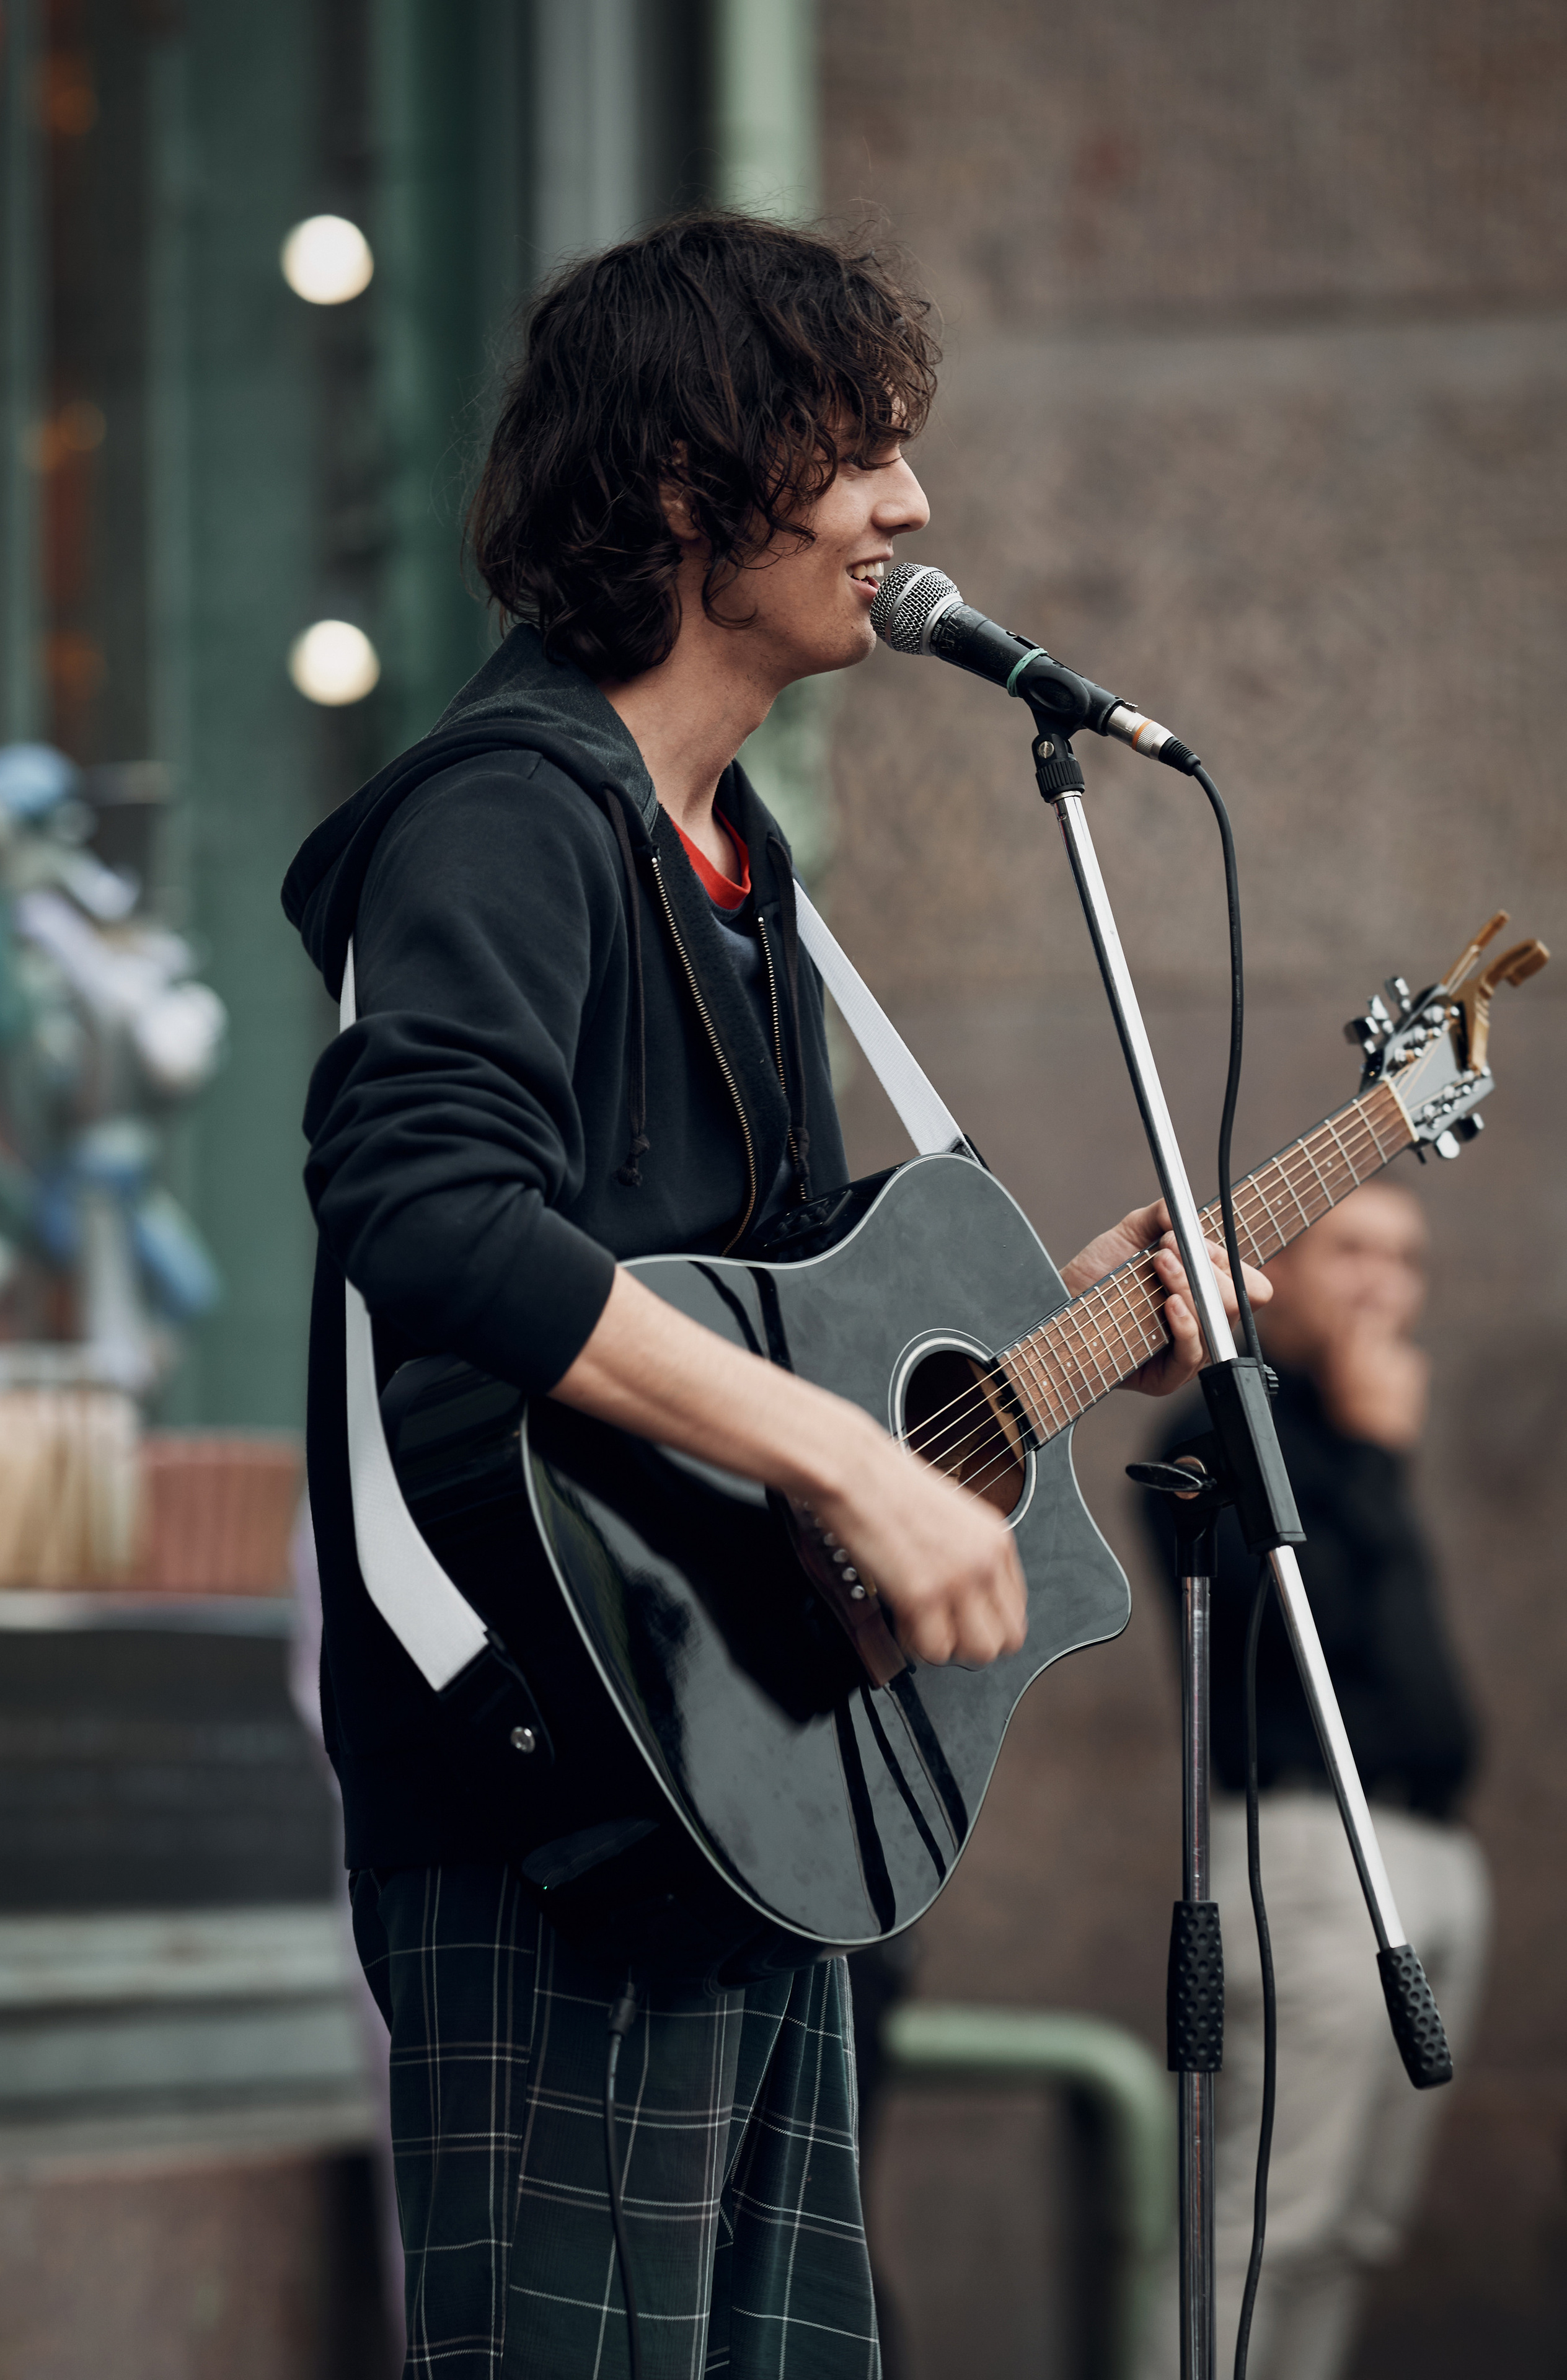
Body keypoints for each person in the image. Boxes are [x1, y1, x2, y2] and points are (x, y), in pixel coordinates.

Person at [282, 212, 1266, 2380]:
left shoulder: (735, 863)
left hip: (752, 1782)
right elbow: (421, 1201)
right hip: (554, 1785)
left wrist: (1069, 1332)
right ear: (678, 486)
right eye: (858, 452)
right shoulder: (503, 819)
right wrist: (843, 1456)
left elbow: (796, 1319)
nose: (912, 510)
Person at [1143, 1179, 1490, 2380]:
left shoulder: (1353, 1437)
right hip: (1310, 1859)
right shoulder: (1217, 1443)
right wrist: (1380, 1459)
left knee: (1350, 2232)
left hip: (1432, 1856)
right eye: (1348, 1251)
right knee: (1259, 2229)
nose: (1377, 1288)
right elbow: (1309, 1639)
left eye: (1402, 1261)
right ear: (1276, 1270)